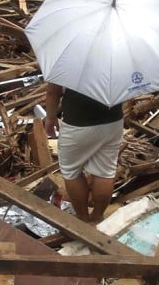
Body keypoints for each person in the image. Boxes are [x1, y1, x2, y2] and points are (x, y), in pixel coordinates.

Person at [44, 83, 123, 224]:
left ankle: (82, 217)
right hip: (113, 121)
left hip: (77, 122)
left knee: (71, 171)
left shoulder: (68, 66)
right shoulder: (119, 66)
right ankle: (97, 217)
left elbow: (53, 92)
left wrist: (50, 117)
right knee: (105, 172)